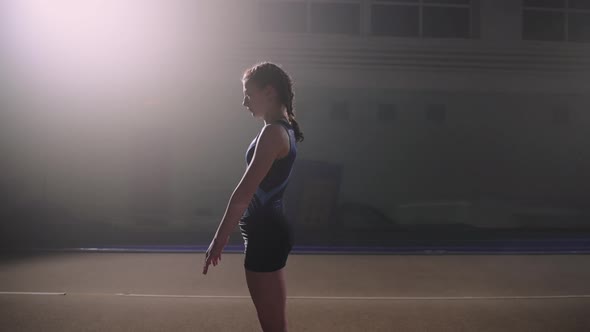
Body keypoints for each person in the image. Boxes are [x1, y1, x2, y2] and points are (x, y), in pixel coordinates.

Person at [202, 61, 304, 332]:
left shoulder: (273, 133)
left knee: (272, 327)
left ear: (269, 91)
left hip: (266, 234)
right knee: (275, 325)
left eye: (248, 93)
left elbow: (243, 194)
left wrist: (220, 237)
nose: (244, 102)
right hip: (268, 232)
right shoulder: (281, 129)